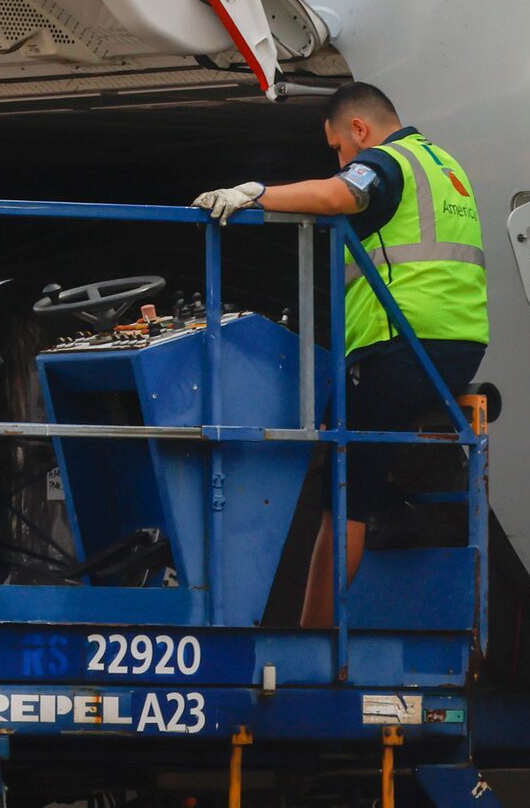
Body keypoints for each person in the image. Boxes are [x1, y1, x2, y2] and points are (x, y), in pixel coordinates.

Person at [190, 82, 489, 627]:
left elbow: (340, 196)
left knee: (342, 493)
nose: (340, 158)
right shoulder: (445, 166)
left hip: (402, 345)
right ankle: (389, 505)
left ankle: (313, 641)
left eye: (337, 148)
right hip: (457, 345)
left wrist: (257, 193)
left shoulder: (386, 161)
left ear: (358, 129)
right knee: (367, 468)